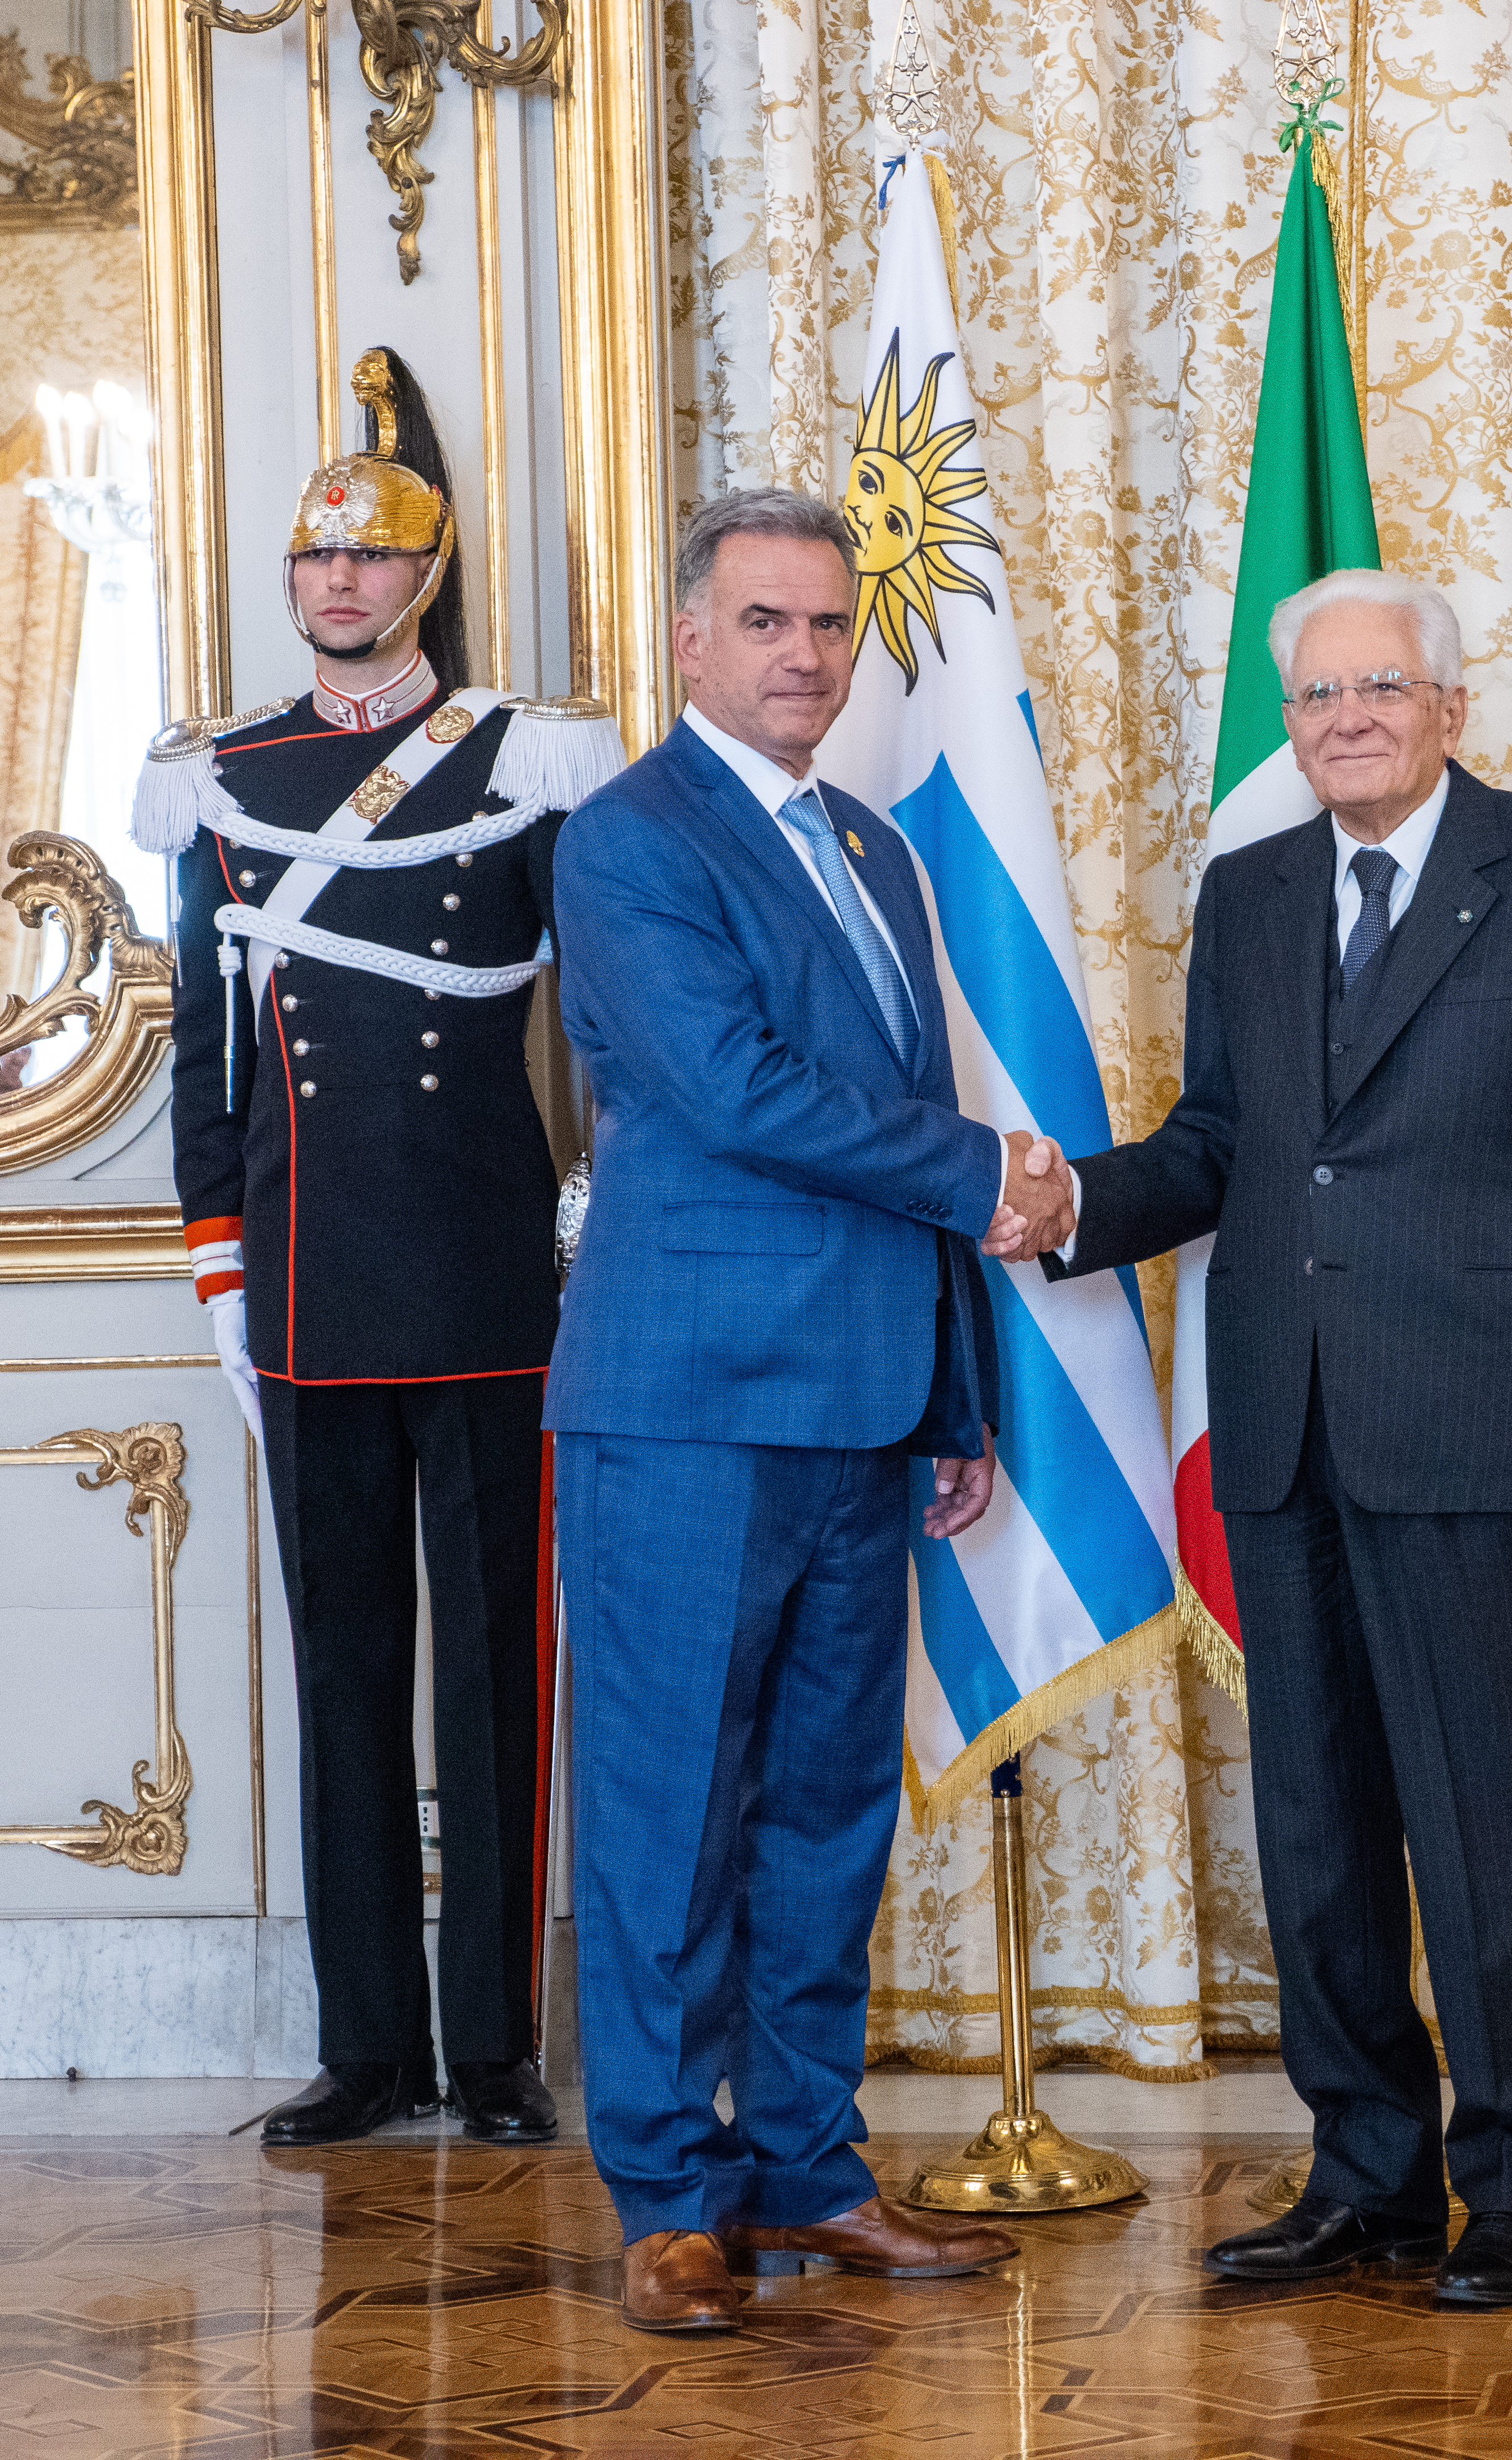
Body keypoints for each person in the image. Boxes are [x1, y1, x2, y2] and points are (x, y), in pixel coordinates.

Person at [1006, 568, 1512, 2309]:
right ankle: (1366, 2170)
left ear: (1449, 706)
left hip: (1478, 1428)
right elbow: (1219, 1139)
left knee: (1488, 1825)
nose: (1346, 721)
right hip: (1285, 1427)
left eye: (1380, 690)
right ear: (1289, 725)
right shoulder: (1254, 888)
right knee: (1315, 1827)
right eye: (1317, 700)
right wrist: (1076, 1201)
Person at [545, 487, 1059, 2334]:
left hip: (864, 1410)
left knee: (829, 1815)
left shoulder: (874, 844)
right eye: (765, 622)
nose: (805, 655)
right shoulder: (629, 843)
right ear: (689, 641)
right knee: (670, 1815)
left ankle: (809, 2173)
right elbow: (743, 1092)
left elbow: (889, 1095)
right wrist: (1000, 1172)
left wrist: (956, 1395)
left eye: (829, 626)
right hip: (686, 1411)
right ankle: (671, 2195)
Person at [136, 348, 625, 2149]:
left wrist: (597, 1226)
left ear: (426, 581)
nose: (342, 583)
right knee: (342, 1667)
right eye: (314, 560)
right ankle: (369, 2046)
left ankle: (491, 2044)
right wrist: (220, 1273)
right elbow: (208, 1055)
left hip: (493, 1270)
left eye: (374, 559)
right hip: (311, 1284)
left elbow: (603, 1024)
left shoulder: (528, 753)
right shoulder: (222, 775)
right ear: (292, 582)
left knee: (499, 1665)